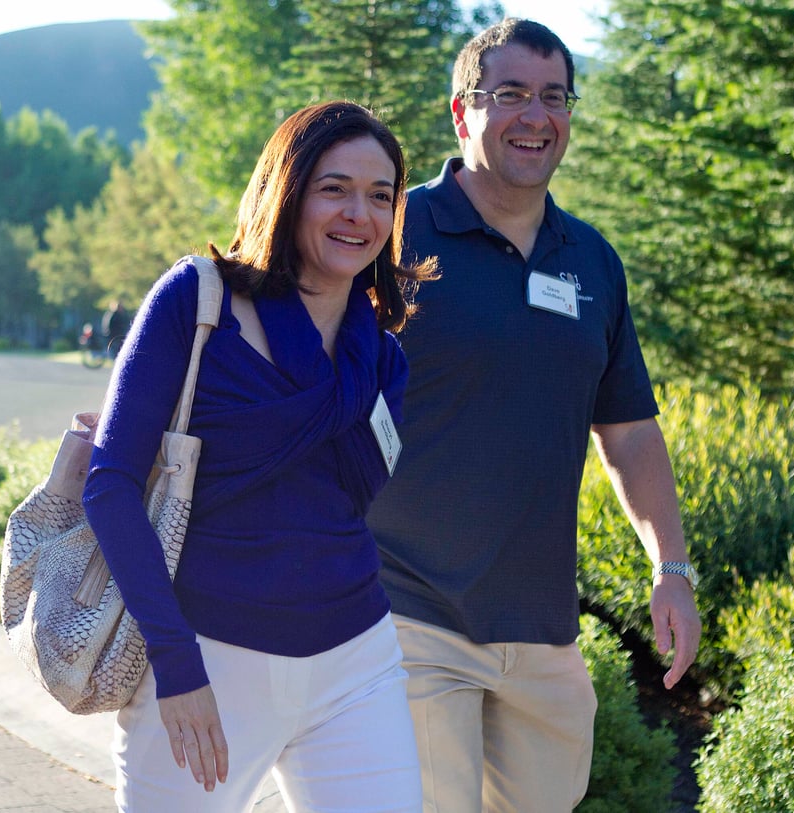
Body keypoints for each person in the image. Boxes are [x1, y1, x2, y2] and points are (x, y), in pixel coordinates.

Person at [364, 19, 702, 813]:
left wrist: (672, 568)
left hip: (542, 625)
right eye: (511, 93)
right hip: (403, 606)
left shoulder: (591, 261)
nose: (536, 116)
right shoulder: (391, 231)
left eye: (554, 97)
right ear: (462, 111)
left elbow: (628, 430)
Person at [82, 101, 437, 812]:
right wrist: (176, 664)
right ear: (289, 190)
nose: (359, 214)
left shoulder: (383, 359)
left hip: (355, 661)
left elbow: (344, 509)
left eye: (380, 196)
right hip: (205, 658)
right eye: (334, 188)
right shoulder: (196, 302)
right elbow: (110, 484)